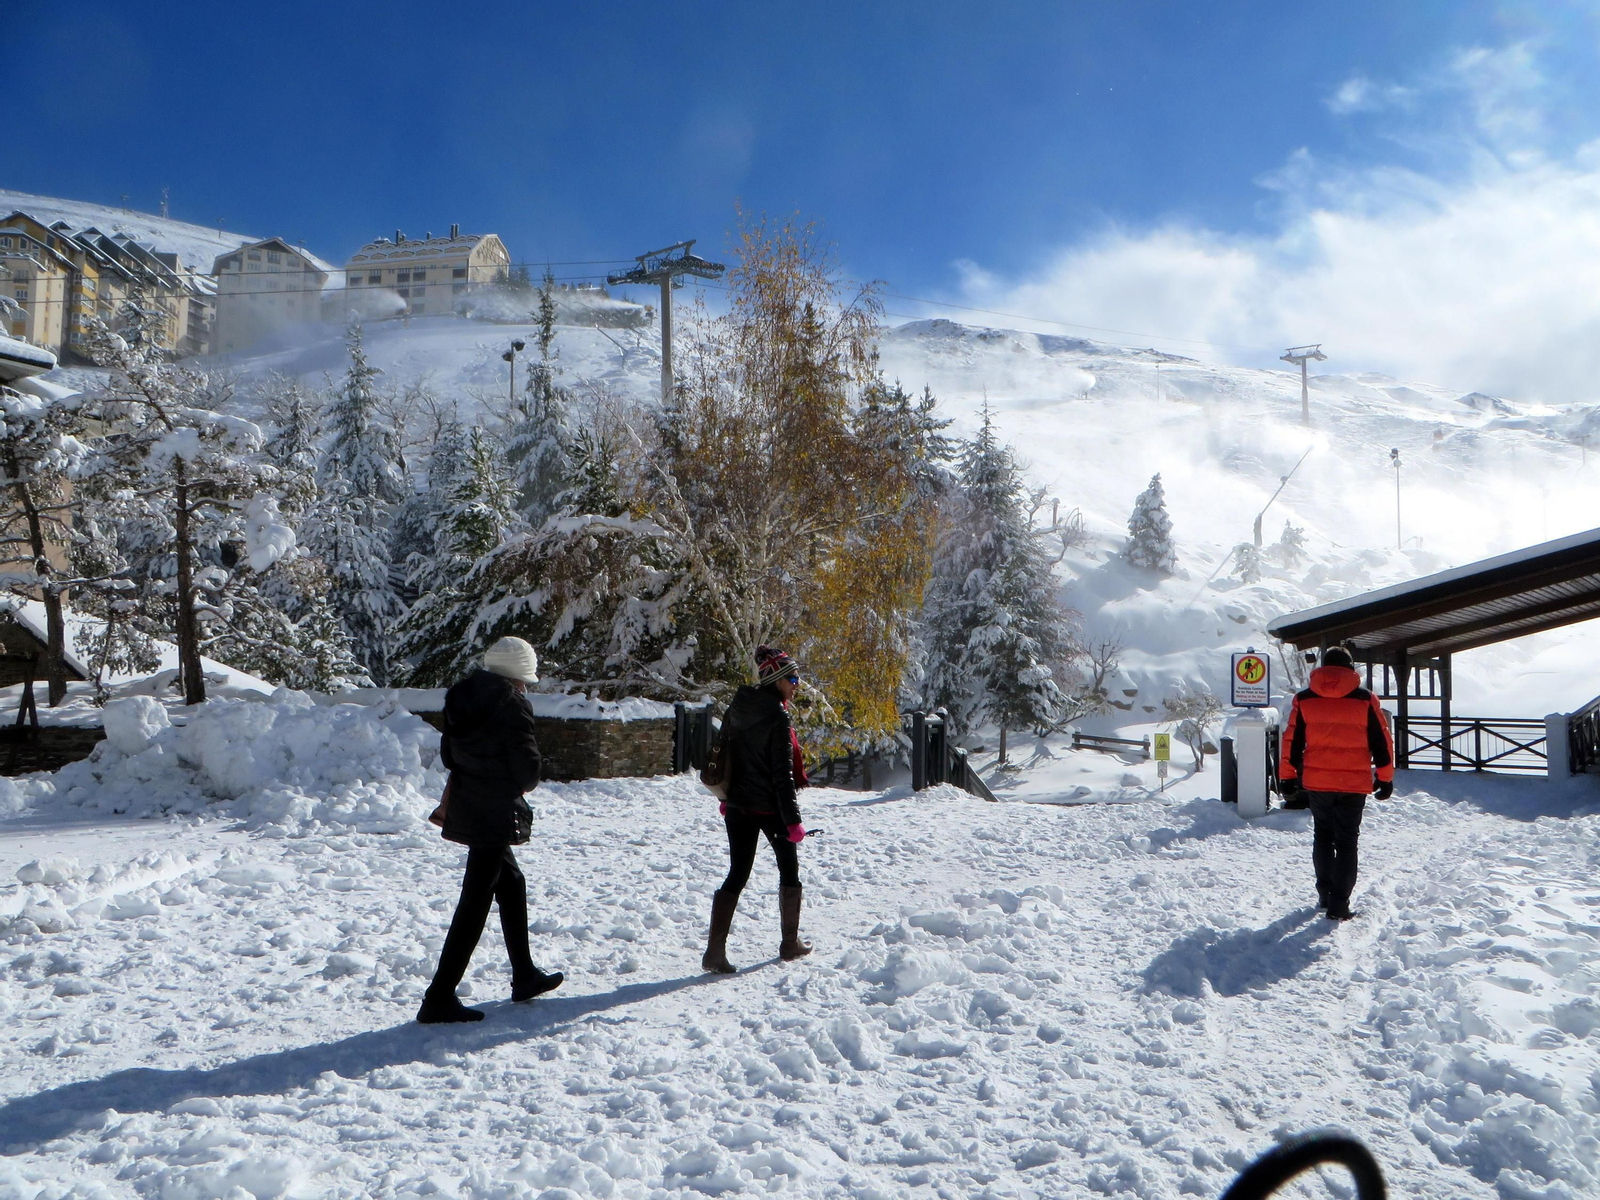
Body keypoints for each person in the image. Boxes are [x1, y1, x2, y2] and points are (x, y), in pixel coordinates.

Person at [418, 636, 564, 1024]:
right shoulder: (512, 705)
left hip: (469, 804)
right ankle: (439, 997)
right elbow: (527, 774)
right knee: (474, 903)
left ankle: (524, 975)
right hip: (496, 813)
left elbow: (449, 755)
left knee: (511, 882)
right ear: (518, 676)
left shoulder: (460, 698)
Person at [701, 644, 812, 973]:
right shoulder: (778, 716)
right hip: (769, 809)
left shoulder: (739, 705)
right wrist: (793, 822)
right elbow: (782, 774)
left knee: (737, 873)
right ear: (777, 680)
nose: (797, 684)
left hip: (737, 807)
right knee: (789, 871)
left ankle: (714, 952)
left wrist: (725, 799)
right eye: (792, 678)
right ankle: (790, 944)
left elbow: (724, 755)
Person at [1278, 645, 1395, 921]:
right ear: (1350, 668)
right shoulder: (1365, 700)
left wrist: (1287, 776)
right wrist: (1385, 777)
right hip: (1352, 783)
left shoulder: (1304, 699)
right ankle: (1339, 904)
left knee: (1322, 835)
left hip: (1318, 782)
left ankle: (1324, 893)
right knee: (1346, 842)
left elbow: (1291, 740)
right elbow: (1382, 741)